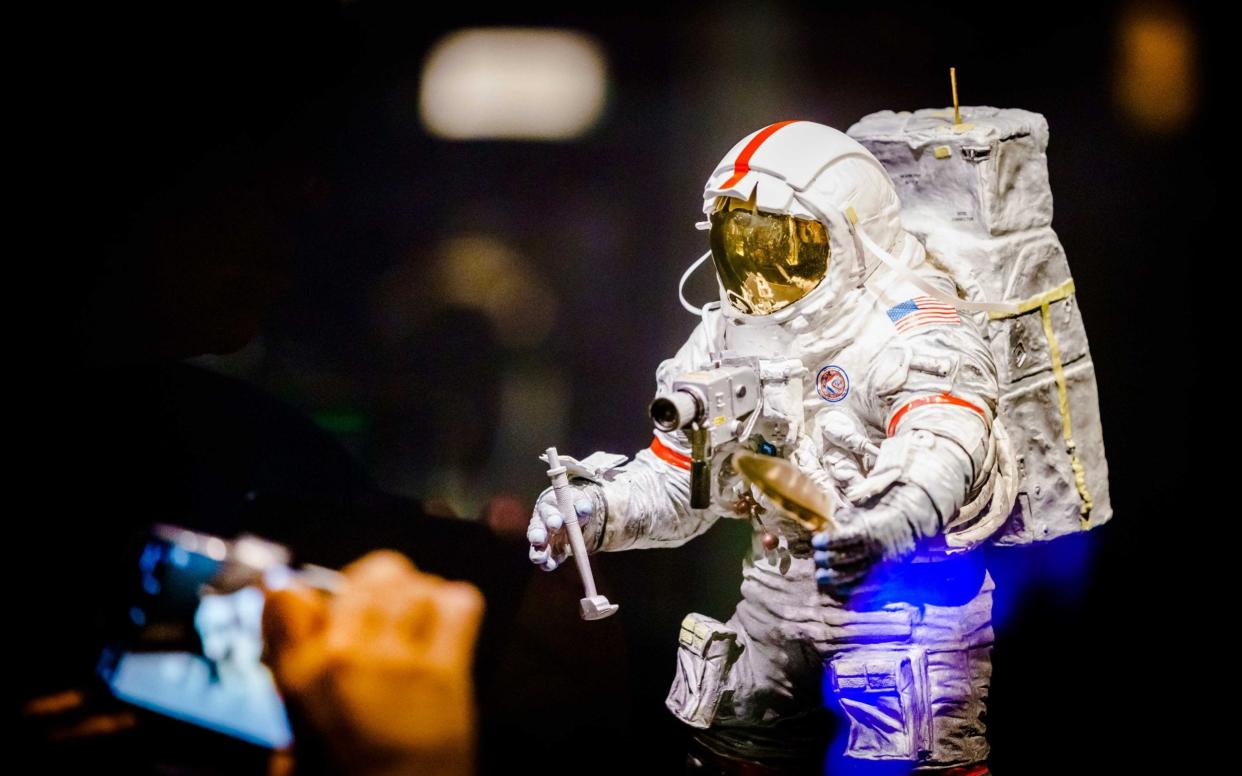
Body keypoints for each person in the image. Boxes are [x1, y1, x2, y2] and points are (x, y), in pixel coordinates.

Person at [527, 120, 1015, 774]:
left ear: (852, 242)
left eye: (788, 250)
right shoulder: (726, 337)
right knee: (736, 756)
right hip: (775, 589)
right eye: (743, 247)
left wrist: (891, 522)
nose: (760, 277)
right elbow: (680, 481)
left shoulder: (913, 332)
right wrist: (596, 512)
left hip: (901, 599)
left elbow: (941, 444)